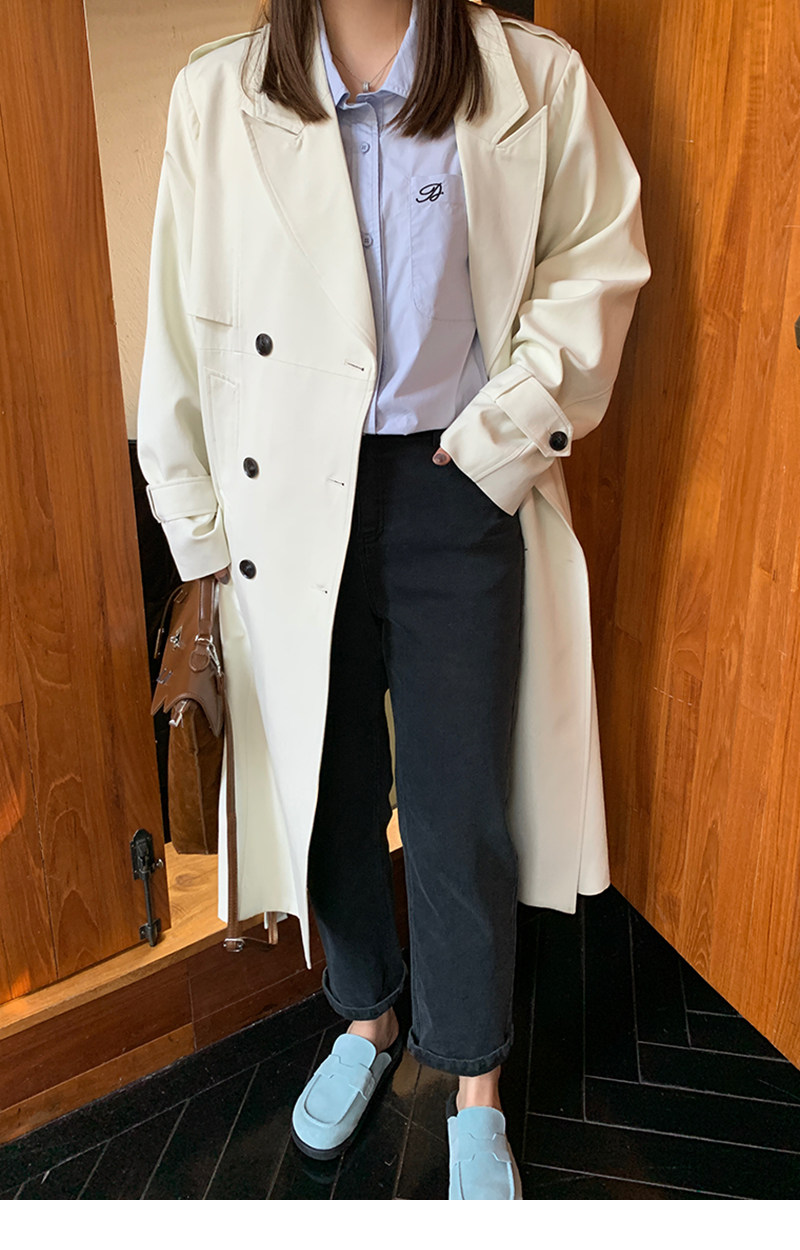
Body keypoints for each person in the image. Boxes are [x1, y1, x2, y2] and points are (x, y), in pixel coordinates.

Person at [137, 0, 649, 1200]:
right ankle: (364, 1012)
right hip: (284, 494)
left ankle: (473, 1074)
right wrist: (195, 527)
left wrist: (507, 429)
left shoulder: (532, 78)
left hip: (453, 479)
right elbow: (175, 323)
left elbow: (596, 257)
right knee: (327, 783)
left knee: (457, 795)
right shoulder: (216, 95)